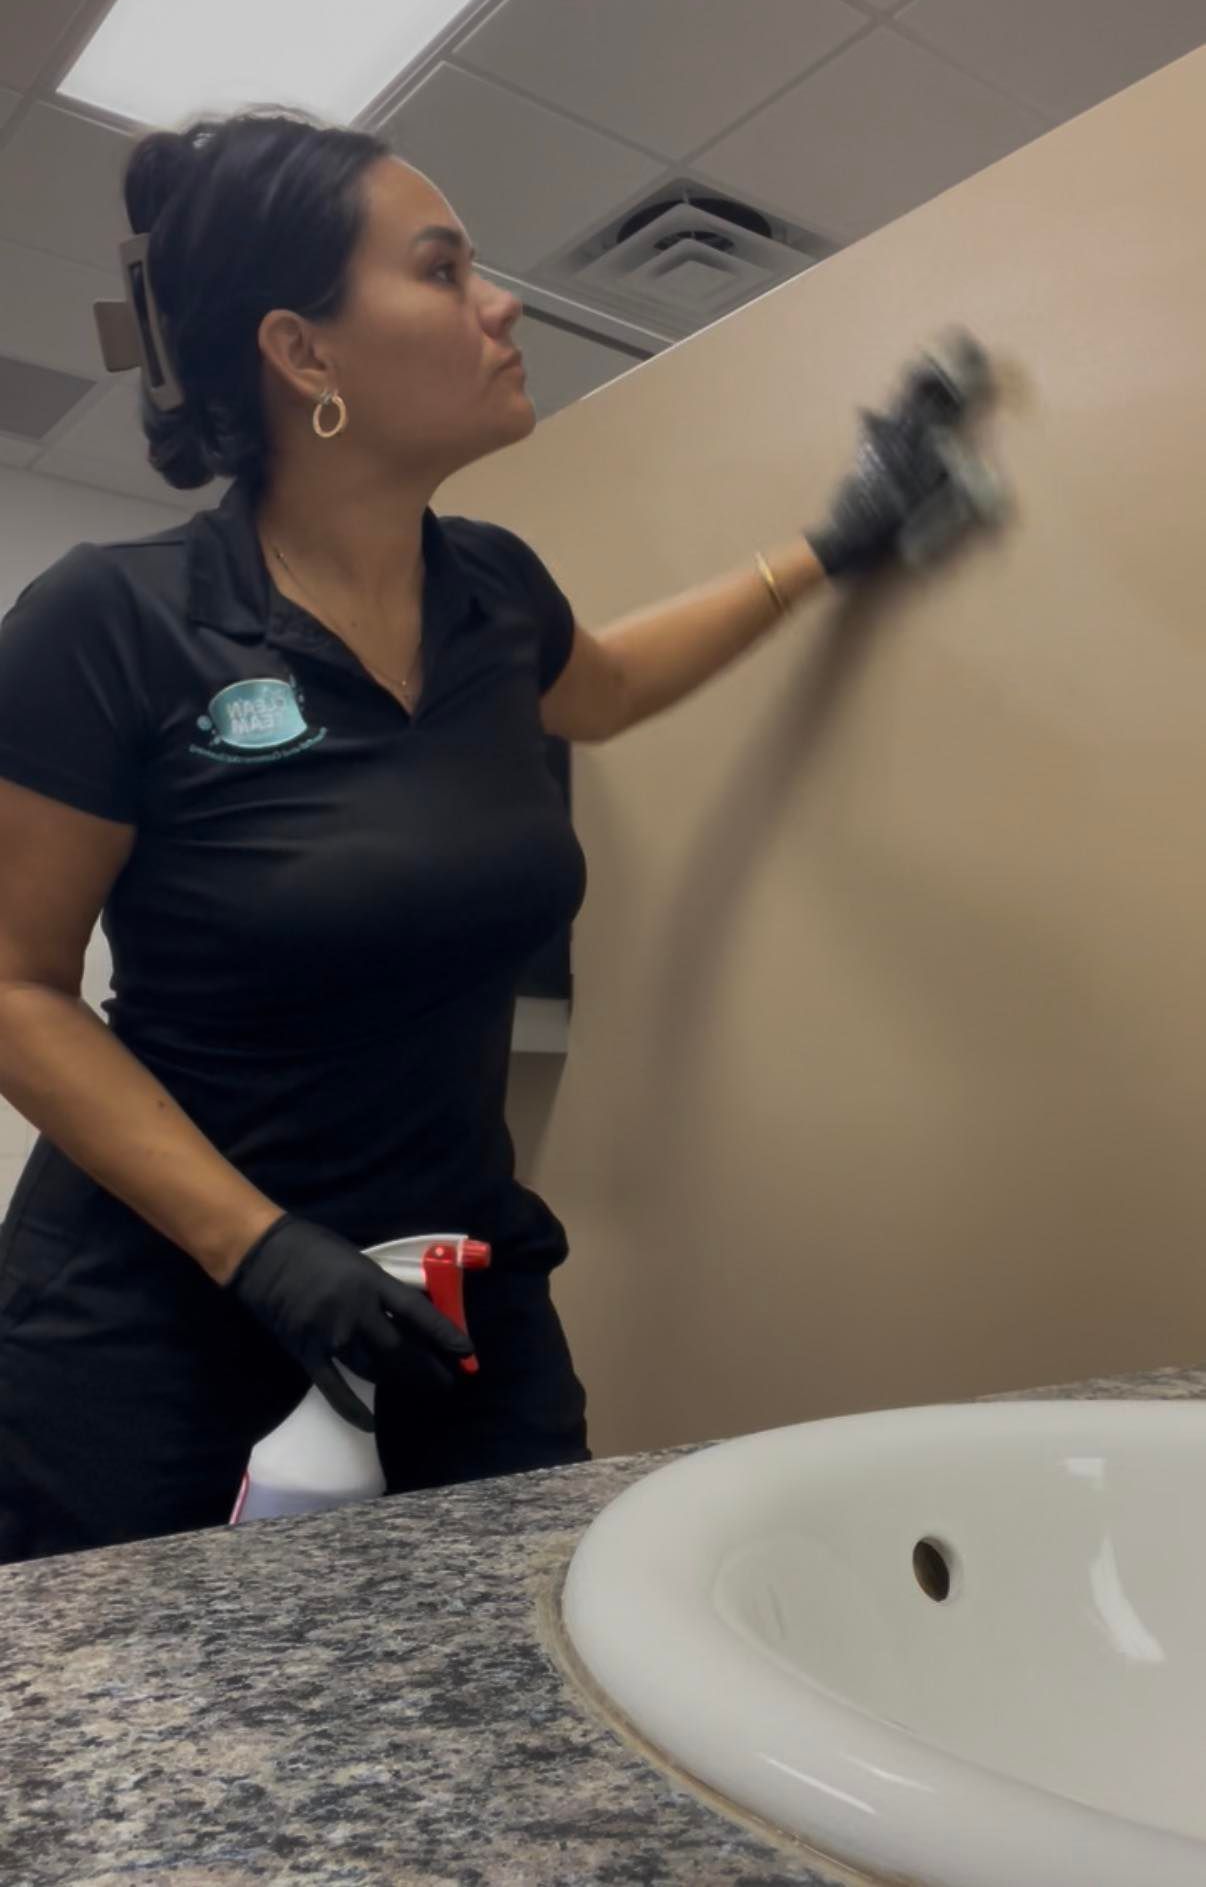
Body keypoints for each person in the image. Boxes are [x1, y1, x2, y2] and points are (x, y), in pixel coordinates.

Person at [0, 111, 994, 1561]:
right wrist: (258, 1247)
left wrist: (837, 541)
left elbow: (609, 684)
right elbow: (18, 992)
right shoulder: (115, 621)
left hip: (455, 1274)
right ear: (304, 353)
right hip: (155, 1299)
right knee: (136, 1750)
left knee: (524, 1671)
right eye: (442, 268)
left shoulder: (494, 593)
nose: (500, 300)